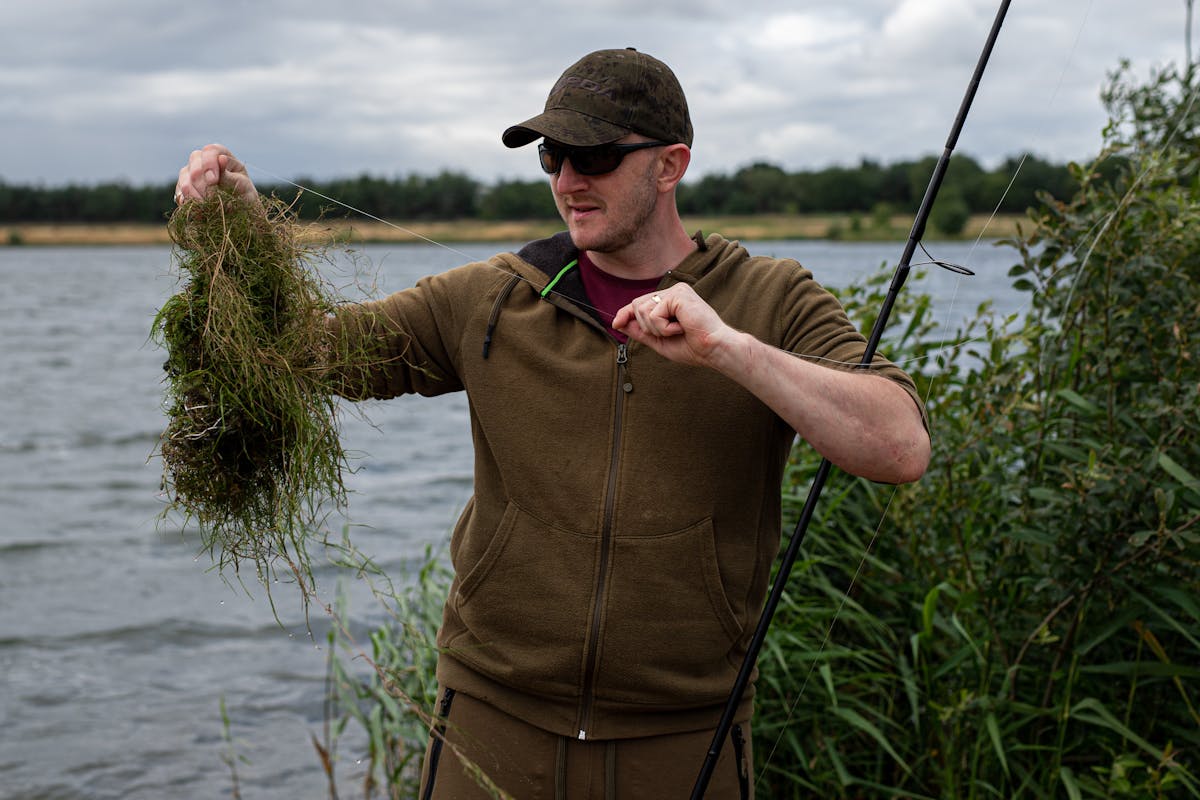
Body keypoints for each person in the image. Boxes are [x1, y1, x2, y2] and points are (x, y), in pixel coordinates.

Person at [175, 47, 930, 800]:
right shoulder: (491, 298)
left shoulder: (770, 297)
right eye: (553, 155)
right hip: (490, 717)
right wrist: (246, 238)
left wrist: (731, 352)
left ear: (671, 166)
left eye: (594, 155)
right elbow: (307, 351)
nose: (568, 181)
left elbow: (899, 444)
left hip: (684, 734)